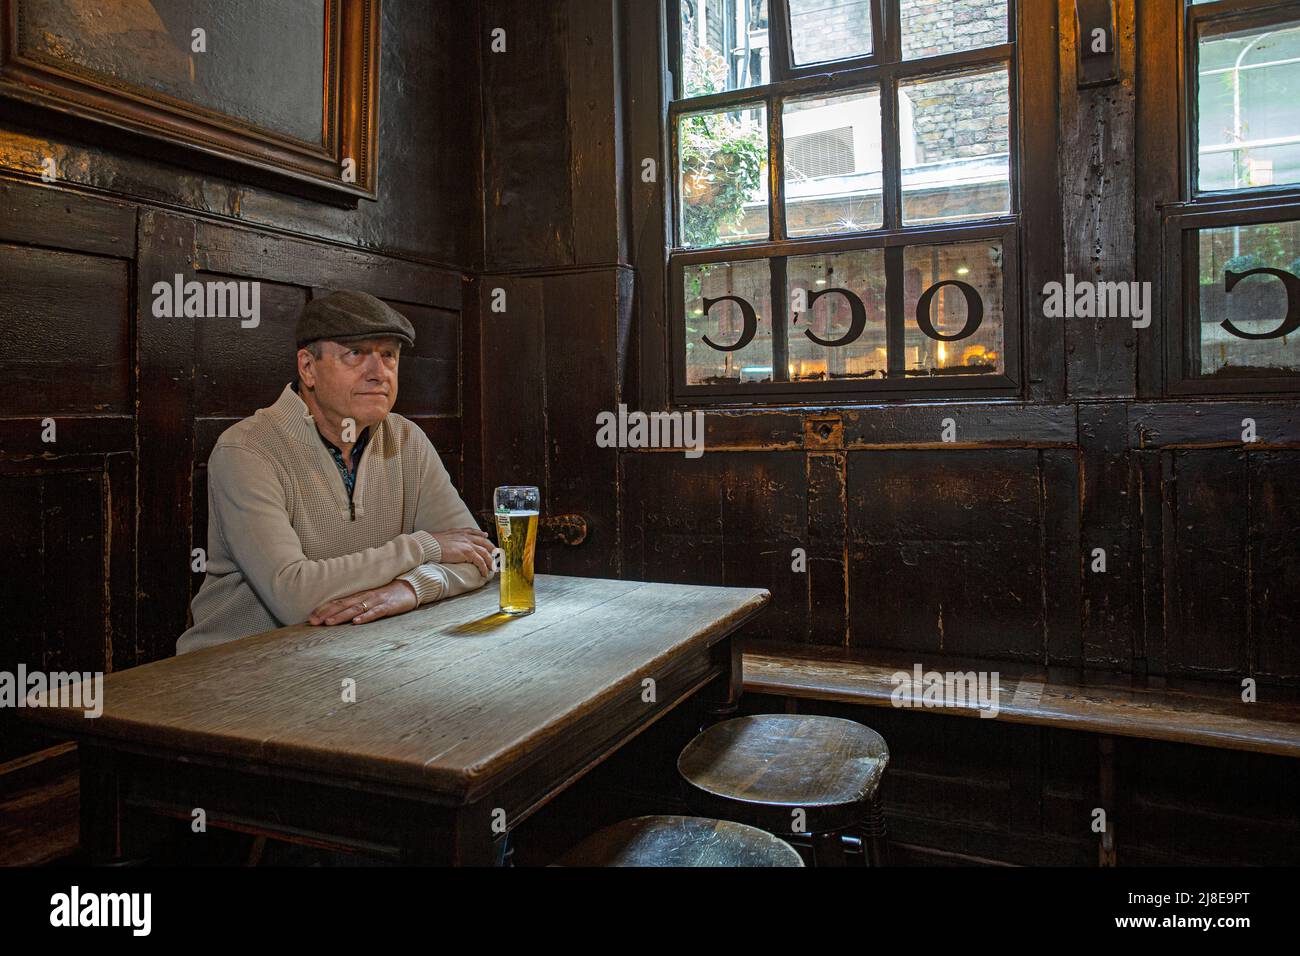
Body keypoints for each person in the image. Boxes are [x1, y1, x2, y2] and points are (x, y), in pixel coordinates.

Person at [177, 289, 494, 655]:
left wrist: (409, 589)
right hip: (233, 670)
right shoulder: (247, 449)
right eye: (355, 354)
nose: (378, 373)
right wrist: (424, 547)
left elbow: (477, 557)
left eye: (388, 355)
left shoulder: (406, 438)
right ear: (308, 368)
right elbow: (295, 595)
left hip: (348, 657)